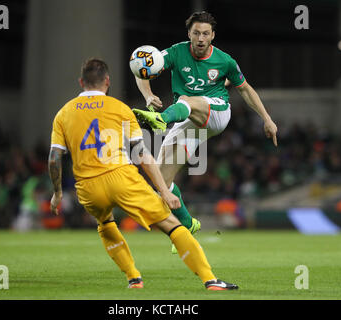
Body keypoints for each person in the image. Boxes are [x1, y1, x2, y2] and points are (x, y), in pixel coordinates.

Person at [48, 58, 238, 290]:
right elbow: (143, 156)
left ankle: (133, 278)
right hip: (121, 177)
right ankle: (210, 280)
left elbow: (54, 158)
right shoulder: (120, 108)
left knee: (105, 223)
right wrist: (164, 192)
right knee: (170, 224)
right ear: (107, 81)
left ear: (81, 82)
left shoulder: (63, 113)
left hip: (87, 187)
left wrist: (57, 193)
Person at [133, 11, 278, 253]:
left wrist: (267, 118)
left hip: (217, 113)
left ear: (212, 36)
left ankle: (160, 120)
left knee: (189, 100)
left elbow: (246, 90)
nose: (201, 38)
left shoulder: (225, 61)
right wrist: (148, 96)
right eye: (196, 33)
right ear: (189, 34)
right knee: (160, 182)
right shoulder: (176, 52)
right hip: (189, 119)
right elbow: (143, 70)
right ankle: (188, 224)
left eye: (206, 33)